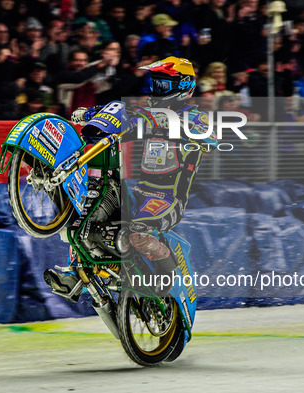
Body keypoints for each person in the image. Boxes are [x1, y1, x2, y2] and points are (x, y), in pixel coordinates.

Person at [44, 56, 217, 299]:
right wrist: (93, 114)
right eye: (154, 84)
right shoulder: (149, 115)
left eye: (163, 86)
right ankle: (75, 274)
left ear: (183, 87)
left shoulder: (196, 117)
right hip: (139, 191)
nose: (155, 91)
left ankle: (165, 276)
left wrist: (175, 127)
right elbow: (123, 119)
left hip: (168, 199)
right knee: (92, 203)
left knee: (139, 233)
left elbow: (209, 139)